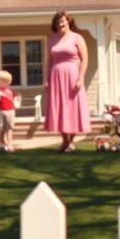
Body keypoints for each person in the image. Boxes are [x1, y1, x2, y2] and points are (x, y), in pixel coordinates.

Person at [45, 10, 91, 152]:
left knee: (72, 107)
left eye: (62, 21)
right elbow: (49, 62)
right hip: (56, 76)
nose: (60, 24)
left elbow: (85, 59)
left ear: (68, 21)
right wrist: (46, 80)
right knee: (59, 107)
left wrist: (81, 78)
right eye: (57, 22)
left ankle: (71, 142)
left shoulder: (77, 38)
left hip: (72, 75)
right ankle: (65, 140)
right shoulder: (52, 40)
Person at [0, 70, 19, 153]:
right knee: (2, 128)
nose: (5, 83)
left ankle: (10, 144)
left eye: (7, 81)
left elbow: (12, 101)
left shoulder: (9, 91)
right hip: (2, 112)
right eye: (1, 81)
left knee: (10, 128)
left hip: (11, 111)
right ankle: (2, 144)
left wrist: (15, 104)